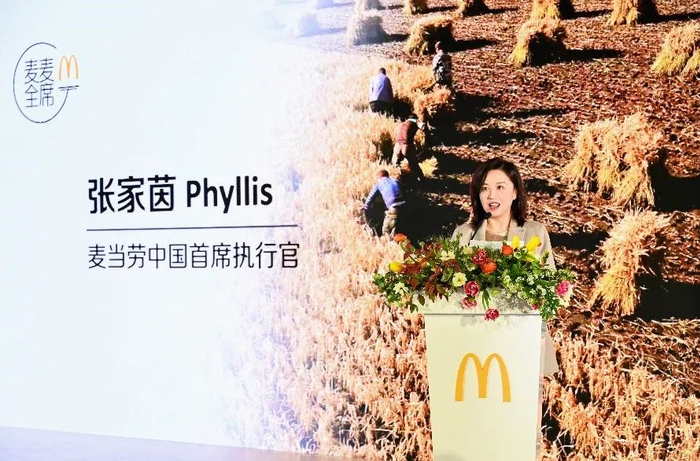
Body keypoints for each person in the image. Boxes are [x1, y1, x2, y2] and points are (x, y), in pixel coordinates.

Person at [452, 157, 559, 375]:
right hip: (476, 340)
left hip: (521, 339)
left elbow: (551, 286)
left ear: (515, 192)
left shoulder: (535, 232)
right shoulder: (464, 234)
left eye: (500, 187)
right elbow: (451, 289)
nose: (492, 195)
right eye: (485, 188)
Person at [362, 169, 406, 237]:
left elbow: (370, 198)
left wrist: (365, 207)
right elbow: (404, 188)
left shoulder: (379, 183)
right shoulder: (395, 180)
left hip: (393, 207)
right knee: (399, 229)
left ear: (379, 178)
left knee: (386, 232)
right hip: (404, 206)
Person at [393, 114, 426, 182]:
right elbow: (422, 126)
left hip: (397, 145)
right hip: (407, 145)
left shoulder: (402, 124)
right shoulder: (414, 121)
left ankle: (399, 180)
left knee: (395, 164)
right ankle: (422, 180)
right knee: (414, 164)